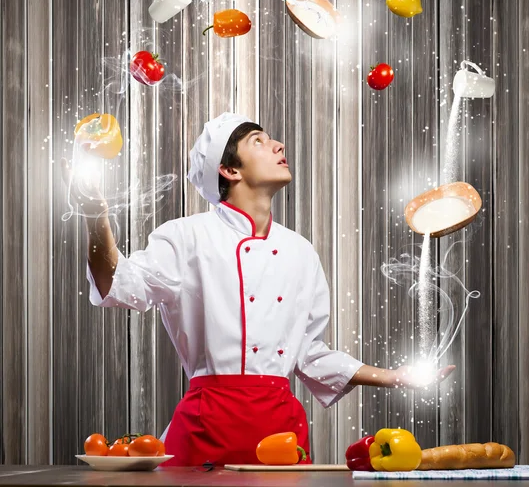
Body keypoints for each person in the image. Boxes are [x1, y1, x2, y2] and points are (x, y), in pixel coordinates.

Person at [62, 112, 454, 466]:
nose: (279, 145)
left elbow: (309, 353)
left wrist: (393, 377)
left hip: (280, 432)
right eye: (260, 141)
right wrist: (96, 216)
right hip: (206, 427)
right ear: (229, 170)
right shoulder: (186, 236)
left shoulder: (301, 251)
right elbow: (118, 284)